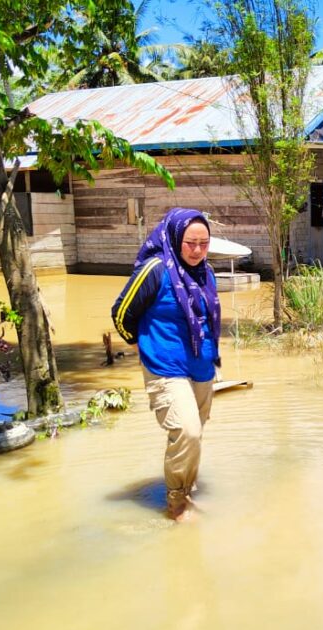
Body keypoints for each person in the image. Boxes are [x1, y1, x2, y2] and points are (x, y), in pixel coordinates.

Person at [114, 208, 221, 521]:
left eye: (204, 243)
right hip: (164, 367)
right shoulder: (155, 270)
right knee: (186, 431)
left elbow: (207, 320)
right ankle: (175, 505)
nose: (198, 250)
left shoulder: (207, 273)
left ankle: (187, 492)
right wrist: (143, 347)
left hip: (201, 367)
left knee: (195, 434)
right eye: (191, 243)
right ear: (175, 238)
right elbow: (121, 313)